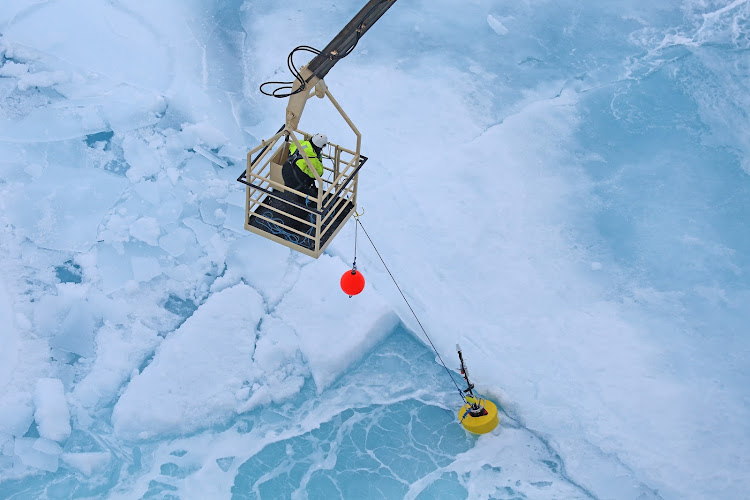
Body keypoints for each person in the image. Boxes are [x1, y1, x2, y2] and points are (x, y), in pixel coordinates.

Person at [282, 133, 328, 199]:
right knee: (313, 197)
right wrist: (319, 158)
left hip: (285, 170)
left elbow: (291, 146)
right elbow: (319, 173)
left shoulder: (301, 143)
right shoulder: (313, 159)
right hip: (295, 181)